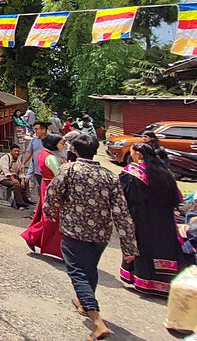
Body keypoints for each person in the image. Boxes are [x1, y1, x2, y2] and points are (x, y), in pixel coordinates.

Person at [44, 134, 138, 341]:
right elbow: (122, 212)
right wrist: (129, 246)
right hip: (101, 234)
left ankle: (97, 321)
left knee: (77, 271)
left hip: (74, 230)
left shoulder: (69, 170)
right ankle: (83, 302)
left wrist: (48, 211)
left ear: (75, 151)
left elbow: (53, 193)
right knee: (89, 269)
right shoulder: (109, 176)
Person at [119, 142, 184, 296]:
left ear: (139, 154)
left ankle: (144, 281)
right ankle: (163, 284)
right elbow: (177, 197)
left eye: (132, 152)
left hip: (142, 217)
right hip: (164, 219)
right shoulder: (165, 173)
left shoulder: (132, 172)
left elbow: (122, 196)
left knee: (144, 246)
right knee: (162, 247)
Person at [21, 134, 65, 258]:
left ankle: (34, 237)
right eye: (61, 143)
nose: (63, 146)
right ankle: (32, 235)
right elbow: (60, 174)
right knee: (51, 219)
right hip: (53, 188)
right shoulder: (51, 158)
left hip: (46, 185)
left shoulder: (43, 153)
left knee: (45, 216)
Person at [0, 144, 32, 210]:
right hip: (3, 178)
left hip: (15, 177)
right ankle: (19, 202)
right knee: (16, 184)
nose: (17, 153)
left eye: (18, 151)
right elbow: (5, 170)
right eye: (15, 151)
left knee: (25, 181)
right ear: (11, 151)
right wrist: (13, 179)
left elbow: (21, 172)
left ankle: (25, 199)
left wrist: (22, 180)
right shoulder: (5, 158)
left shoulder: (18, 160)